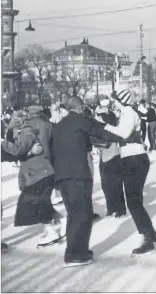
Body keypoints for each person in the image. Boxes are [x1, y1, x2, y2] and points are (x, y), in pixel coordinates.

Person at [52, 96, 123, 267]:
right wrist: (123, 136)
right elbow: (100, 130)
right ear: (80, 107)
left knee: (73, 215)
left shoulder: (59, 125)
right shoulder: (80, 120)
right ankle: (77, 255)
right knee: (82, 214)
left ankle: (73, 251)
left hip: (62, 176)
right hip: (77, 174)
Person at [104, 89, 156, 256]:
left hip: (134, 158)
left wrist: (106, 126)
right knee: (135, 200)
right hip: (132, 158)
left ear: (121, 100)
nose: (113, 103)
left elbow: (124, 133)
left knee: (133, 201)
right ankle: (149, 231)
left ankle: (147, 239)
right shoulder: (126, 112)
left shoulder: (128, 112)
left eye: (114, 100)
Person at [1, 110, 64, 247]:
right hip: (37, 174)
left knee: (32, 203)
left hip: (39, 174)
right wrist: (29, 152)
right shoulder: (25, 132)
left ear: (19, 121)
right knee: (38, 202)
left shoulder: (27, 133)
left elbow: (18, 150)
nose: (11, 123)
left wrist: (3, 142)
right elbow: (20, 153)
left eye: (13, 120)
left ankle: (54, 228)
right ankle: (58, 223)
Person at [94, 102, 126, 217]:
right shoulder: (99, 128)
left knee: (116, 184)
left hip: (113, 156)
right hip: (103, 158)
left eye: (99, 115)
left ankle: (120, 209)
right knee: (105, 185)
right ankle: (111, 208)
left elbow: (109, 142)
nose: (97, 117)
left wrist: (98, 143)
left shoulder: (111, 128)